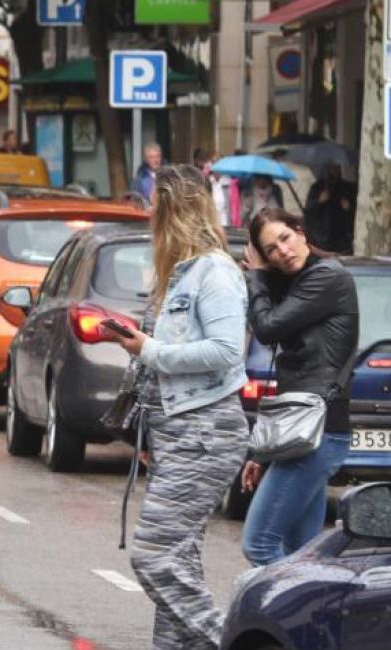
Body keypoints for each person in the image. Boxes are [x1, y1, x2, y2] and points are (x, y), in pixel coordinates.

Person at [96, 165, 249, 650]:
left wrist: (150, 350)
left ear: (173, 211)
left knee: (155, 557)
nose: (148, 218)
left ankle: (232, 642)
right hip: (177, 432)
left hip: (206, 431)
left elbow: (227, 351)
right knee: (179, 559)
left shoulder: (215, 272)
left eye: (154, 209)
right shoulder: (178, 275)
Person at [239, 208, 358, 567]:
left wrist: (258, 275)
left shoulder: (328, 277)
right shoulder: (299, 282)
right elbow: (292, 375)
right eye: (271, 249)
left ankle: (282, 617)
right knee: (303, 555)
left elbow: (268, 327)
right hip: (303, 430)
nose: (282, 251)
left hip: (318, 431)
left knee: (259, 544)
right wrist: (262, 454)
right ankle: (317, 622)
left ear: (301, 232)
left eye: (285, 238)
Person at [303, 165, 356, 253]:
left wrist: (348, 208)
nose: (335, 170)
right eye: (332, 167)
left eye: (337, 167)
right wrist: (319, 201)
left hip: (342, 237)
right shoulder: (317, 187)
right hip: (321, 237)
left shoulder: (348, 187)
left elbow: (356, 213)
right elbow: (308, 211)